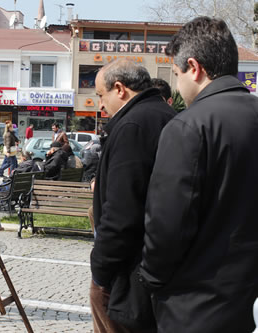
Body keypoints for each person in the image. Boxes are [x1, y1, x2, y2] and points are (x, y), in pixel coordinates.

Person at [138, 17, 258, 333]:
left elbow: (166, 224)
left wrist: (151, 278)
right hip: (247, 298)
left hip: (195, 304)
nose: (177, 87)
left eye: (176, 76)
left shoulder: (188, 127)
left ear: (194, 68)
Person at [90, 59, 175, 333]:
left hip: (128, 270)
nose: (100, 105)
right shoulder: (167, 115)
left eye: (101, 96)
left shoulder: (132, 126)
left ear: (120, 89)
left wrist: (101, 270)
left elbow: (123, 211)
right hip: (158, 262)